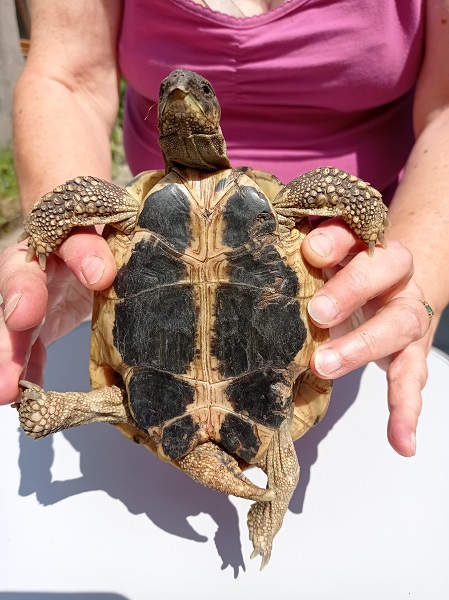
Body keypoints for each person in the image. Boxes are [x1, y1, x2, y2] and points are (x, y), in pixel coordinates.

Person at [1, 0, 447, 459]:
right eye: (169, 88)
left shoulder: (288, 205)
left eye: (196, 90)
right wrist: (61, 247)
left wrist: (408, 262)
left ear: (214, 116)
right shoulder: (127, 210)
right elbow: (67, 80)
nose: (179, 87)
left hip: (340, 277)